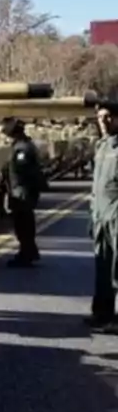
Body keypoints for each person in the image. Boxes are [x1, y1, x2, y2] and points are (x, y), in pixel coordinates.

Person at [88, 105, 118, 331]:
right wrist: (93, 215)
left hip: (117, 217)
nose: (104, 121)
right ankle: (101, 313)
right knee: (103, 268)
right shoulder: (102, 146)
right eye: (100, 117)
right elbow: (96, 187)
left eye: (109, 117)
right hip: (101, 216)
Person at [1, 117, 46, 267]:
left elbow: (24, 170)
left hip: (21, 191)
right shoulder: (22, 145)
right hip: (19, 190)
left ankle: (26, 253)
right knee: (24, 224)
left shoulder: (22, 148)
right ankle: (29, 251)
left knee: (23, 225)